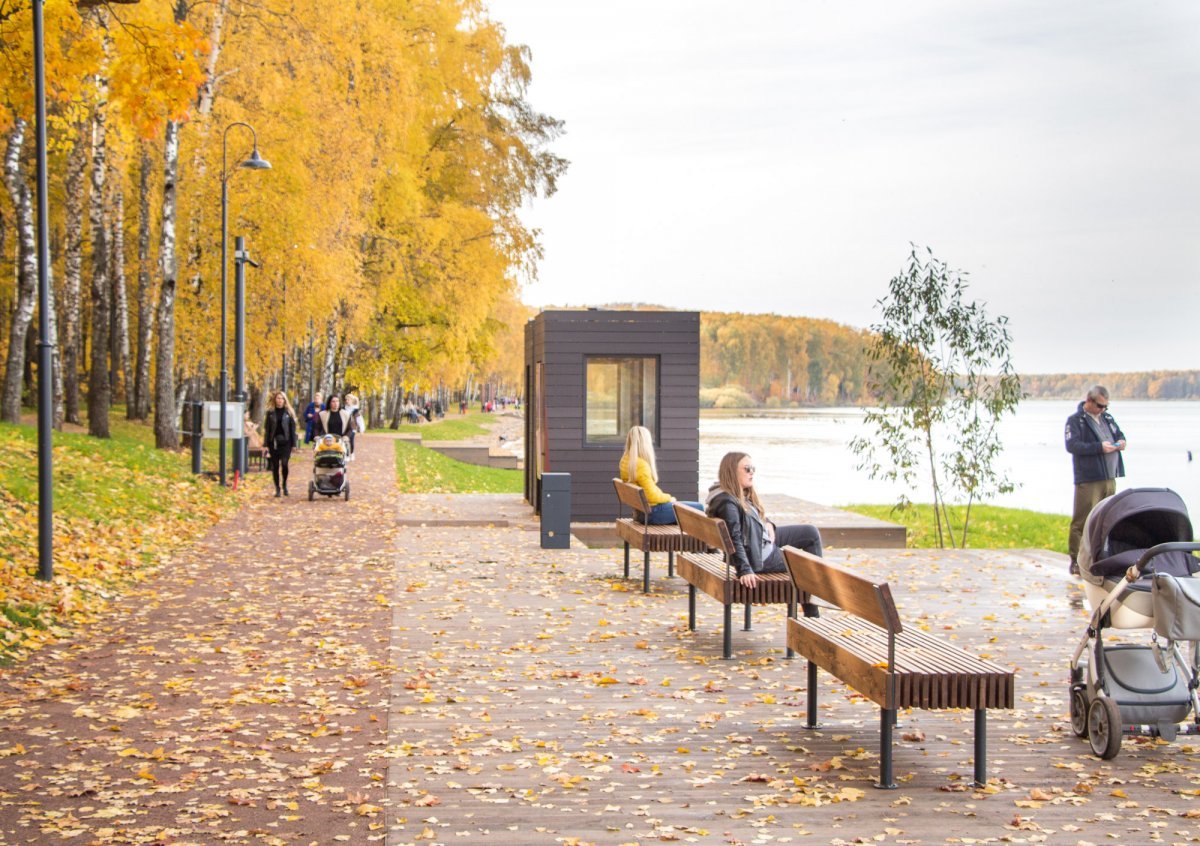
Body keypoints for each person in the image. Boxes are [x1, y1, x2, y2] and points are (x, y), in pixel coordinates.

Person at [705, 451, 823, 589]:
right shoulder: (727, 503)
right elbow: (734, 537)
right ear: (732, 471)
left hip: (758, 540)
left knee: (810, 532)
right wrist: (745, 570)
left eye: (753, 469)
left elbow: (753, 515)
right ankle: (814, 605)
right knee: (811, 568)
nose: (751, 473)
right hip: (760, 556)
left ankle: (814, 598)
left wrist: (768, 523)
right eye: (747, 469)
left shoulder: (732, 493)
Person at [1065, 385, 1127, 574]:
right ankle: (1075, 560)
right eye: (1100, 406)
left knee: (1107, 518)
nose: (1103, 410)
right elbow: (1072, 445)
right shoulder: (1076, 421)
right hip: (1089, 477)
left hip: (1109, 475)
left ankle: (1101, 557)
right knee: (1083, 519)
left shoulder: (1107, 418)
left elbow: (1119, 434)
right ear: (1089, 401)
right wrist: (1099, 448)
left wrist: (1121, 442)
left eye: (1106, 406)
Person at [618, 426, 702, 524]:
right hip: (653, 513)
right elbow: (652, 496)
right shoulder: (641, 465)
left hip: (641, 513)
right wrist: (669, 498)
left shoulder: (626, 461)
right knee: (699, 508)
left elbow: (649, 491)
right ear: (645, 443)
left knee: (687, 510)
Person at [263, 390, 298, 497]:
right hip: (273, 443)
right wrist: (265, 445)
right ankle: (277, 488)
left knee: (284, 464)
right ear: (275, 400)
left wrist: (294, 444)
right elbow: (267, 429)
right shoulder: (270, 413)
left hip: (286, 442)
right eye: (278, 398)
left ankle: (284, 485)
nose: (280, 400)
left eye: (282, 398)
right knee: (275, 466)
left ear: (284, 400)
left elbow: (292, 429)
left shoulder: (289, 413)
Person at [343, 393, 366, 459]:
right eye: (346, 400)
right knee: (345, 440)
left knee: (351, 440)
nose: (347, 401)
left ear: (352, 401)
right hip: (344, 427)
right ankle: (346, 455)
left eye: (348, 399)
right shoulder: (343, 409)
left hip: (353, 428)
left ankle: (352, 453)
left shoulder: (355, 411)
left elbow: (360, 420)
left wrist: (362, 429)